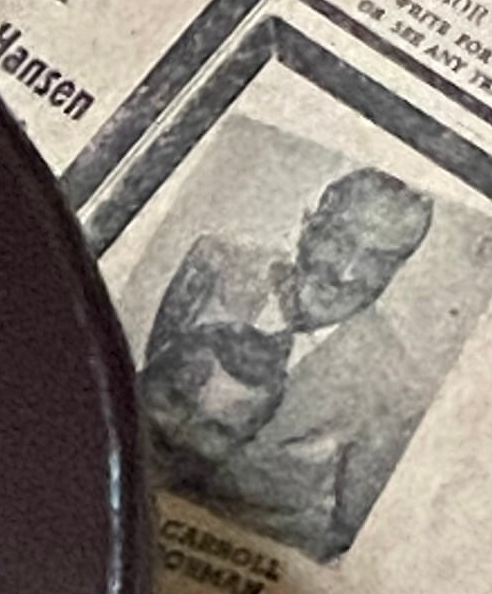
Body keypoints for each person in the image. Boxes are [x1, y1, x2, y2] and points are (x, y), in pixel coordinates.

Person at [139, 165, 436, 562]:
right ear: (309, 224)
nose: (345, 273)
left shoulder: (397, 388)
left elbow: (345, 535)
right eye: (339, 240)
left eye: (378, 260)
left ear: (397, 270)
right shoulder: (214, 263)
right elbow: (148, 375)